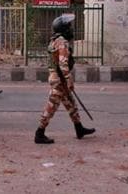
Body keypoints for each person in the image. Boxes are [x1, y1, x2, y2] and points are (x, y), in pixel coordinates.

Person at [35, 14, 95, 144]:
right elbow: (63, 63)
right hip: (59, 79)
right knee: (51, 106)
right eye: (68, 26)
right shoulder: (62, 42)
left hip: (56, 77)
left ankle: (79, 129)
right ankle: (39, 133)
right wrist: (69, 79)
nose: (70, 28)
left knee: (71, 104)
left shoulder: (54, 40)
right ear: (63, 28)